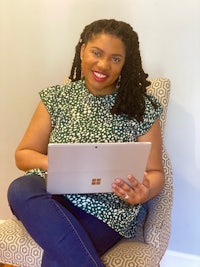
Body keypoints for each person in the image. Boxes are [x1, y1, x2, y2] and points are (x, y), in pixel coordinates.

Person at [8, 19, 164, 267]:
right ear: (82, 50)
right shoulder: (56, 98)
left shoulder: (142, 107)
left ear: (125, 64)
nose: (103, 64)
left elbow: (156, 173)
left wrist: (143, 192)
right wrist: (62, 164)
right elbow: (23, 155)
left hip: (106, 210)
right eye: (96, 53)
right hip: (53, 197)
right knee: (20, 188)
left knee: (58, 259)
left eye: (115, 59)